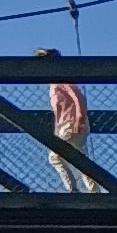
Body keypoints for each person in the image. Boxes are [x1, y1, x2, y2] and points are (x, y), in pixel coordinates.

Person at [38, 47, 92, 192]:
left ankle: (72, 189)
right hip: (66, 125)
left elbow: (79, 98)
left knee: (55, 157)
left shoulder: (61, 80)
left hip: (71, 124)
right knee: (80, 158)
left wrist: (79, 119)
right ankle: (93, 190)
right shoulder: (54, 83)